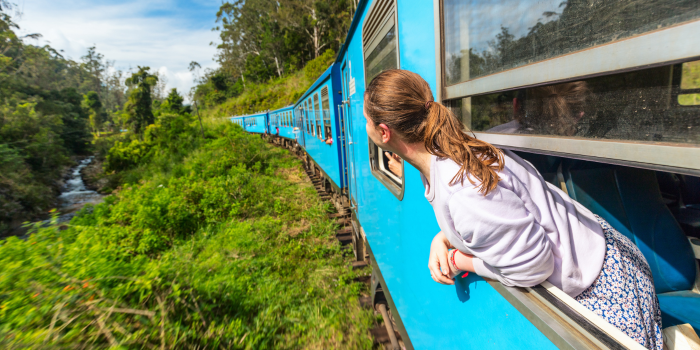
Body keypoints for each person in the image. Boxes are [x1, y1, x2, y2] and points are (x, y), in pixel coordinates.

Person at [363, 69, 662, 350]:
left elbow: (533, 266)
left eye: (366, 121)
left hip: (604, 289)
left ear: (384, 132)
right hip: (600, 256)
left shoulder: (460, 191)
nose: (364, 128)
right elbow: (503, 212)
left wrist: (460, 261)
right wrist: (443, 237)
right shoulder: (450, 151)